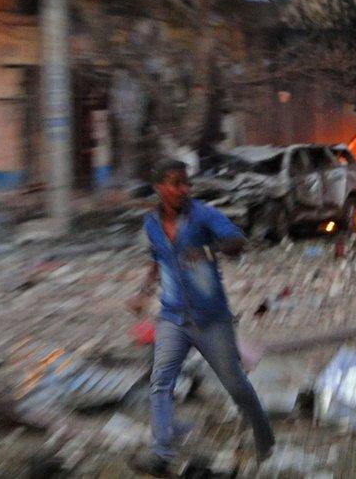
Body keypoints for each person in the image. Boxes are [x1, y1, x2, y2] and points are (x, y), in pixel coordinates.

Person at [127, 159, 274, 477]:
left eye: (185, 183)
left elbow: (238, 242)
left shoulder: (202, 215)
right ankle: (161, 453)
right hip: (172, 317)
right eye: (175, 183)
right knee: (161, 383)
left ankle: (263, 431)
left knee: (234, 383)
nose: (183, 189)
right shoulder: (152, 224)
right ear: (159, 187)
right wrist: (143, 293)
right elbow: (157, 262)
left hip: (210, 318)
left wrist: (207, 251)